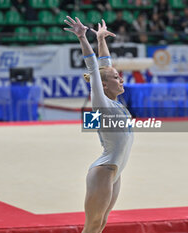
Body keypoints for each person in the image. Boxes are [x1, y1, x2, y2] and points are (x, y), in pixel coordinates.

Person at [64, 16, 134, 233]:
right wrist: (83, 37)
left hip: (116, 170)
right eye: (116, 78)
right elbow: (95, 68)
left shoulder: (114, 101)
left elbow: (105, 65)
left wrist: (101, 39)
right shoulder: (101, 102)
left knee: (101, 223)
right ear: (103, 85)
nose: (121, 79)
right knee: (92, 225)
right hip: (104, 170)